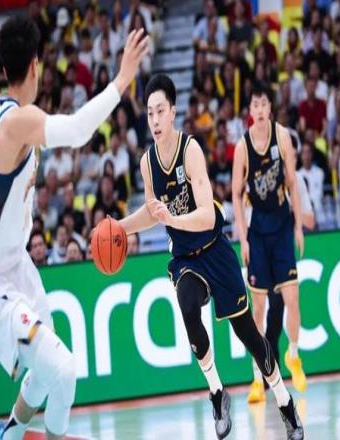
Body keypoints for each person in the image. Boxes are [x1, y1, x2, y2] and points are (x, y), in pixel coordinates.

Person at [0, 16, 148, 439]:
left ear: (4, 68)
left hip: (17, 267)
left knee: (46, 372)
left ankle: (8, 432)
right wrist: (122, 80)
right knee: (63, 369)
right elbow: (78, 130)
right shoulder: (17, 121)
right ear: (36, 65)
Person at [119, 74, 303, 440]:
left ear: (173, 112)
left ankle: (284, 402)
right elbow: (152, 212)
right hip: (186, 259)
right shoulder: (147, 163)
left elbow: (206, 215)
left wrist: (172, 219)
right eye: (150, 113)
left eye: (160, 111)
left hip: (215, 248)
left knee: (249, 335)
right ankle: (217, 393)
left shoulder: (190, 150)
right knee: (188, 306)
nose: (154, 120)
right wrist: (118, 227)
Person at [231, 82, 307, 405]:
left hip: (281, 225)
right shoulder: (242, 148)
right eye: (255, 105)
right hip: (258, 231)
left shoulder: (282, 136)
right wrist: (242, 238)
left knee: (292, 298)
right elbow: (235, 194)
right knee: (258, 308)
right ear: (250, 110)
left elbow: (293, 183)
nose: (260, 110)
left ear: (270, 108)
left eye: (264, 104)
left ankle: (293, 355)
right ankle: (257, 377)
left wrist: (299, 226)